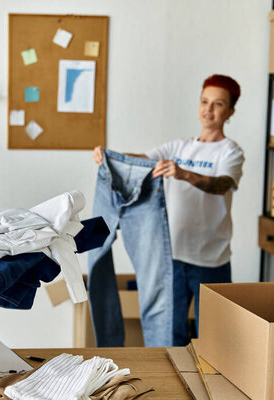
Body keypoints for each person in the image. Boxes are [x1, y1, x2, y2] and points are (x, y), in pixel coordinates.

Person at [92, 74, 245, 345]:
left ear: (230, 111)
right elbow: (140, 159)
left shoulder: (230, 152)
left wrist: (186, 174)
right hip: (170, 257)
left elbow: (222, 184)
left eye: (218, 104)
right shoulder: (178, 147)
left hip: (211, 260)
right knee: (168, 336)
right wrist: (108, 155)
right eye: (204, 101)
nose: (208, 109)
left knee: (214, 339)